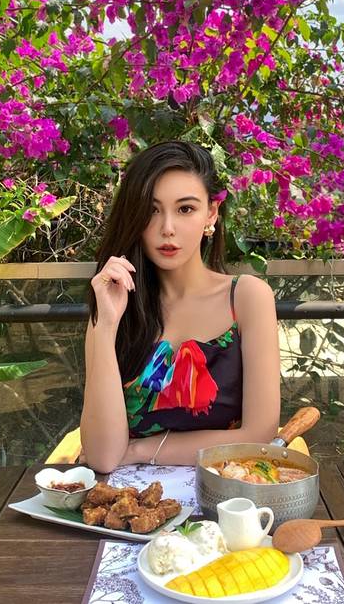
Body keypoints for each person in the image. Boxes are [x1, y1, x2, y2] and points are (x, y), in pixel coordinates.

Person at [80, 140, 281, 473]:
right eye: (152, 210)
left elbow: (258, 435)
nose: (167, 229)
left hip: (224, 494)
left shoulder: (247, 298)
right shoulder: (115, 305)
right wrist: (105, 326)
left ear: (211, 213)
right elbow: (103, 457)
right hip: (125, 500)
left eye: (185, 209)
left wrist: (139, 449)